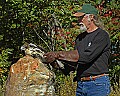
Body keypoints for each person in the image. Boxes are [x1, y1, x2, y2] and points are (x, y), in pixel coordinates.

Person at [44, 4, 111, 96]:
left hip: (97, 84)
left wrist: (57, 54)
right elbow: (75, 63)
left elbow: (86, 57)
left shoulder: (102, 35)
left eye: (81, 17)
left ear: (91, 17)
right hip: (81, 84)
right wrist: (56, 63)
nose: (78, 21)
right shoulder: (80, 38)